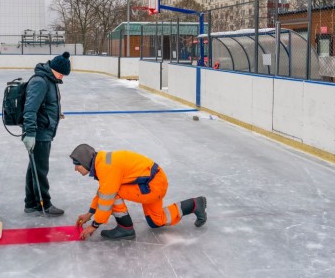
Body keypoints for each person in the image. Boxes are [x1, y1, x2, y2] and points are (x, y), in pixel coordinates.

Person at [69, 144, 207, 240]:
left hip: (152, 186)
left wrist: (94, 225)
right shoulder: (103, 161)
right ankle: (195, 204)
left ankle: (125, 228)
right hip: (154, 182)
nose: (75, 168)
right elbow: (104, 189)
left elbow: (106, 198)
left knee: (113, 194)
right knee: (156, 221)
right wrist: (90, 213)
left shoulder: (107, 167)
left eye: (77, 164)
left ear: (86, 161)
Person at [22, 52, 71, 216]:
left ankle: (30, 203)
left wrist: (56, 115)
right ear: (54, 69)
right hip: (38, 133)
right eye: (61, 73)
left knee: (34, 168)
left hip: (44, 129)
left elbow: (47, 105)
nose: (62, 76)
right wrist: (30, 133)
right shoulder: (40, 82)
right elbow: (30, 109)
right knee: (41, 169)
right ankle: (45, 204)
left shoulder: (50, 80)